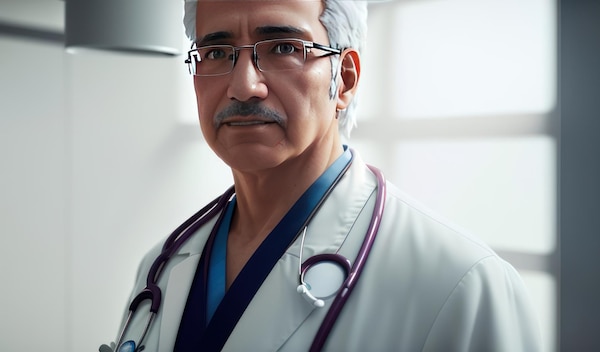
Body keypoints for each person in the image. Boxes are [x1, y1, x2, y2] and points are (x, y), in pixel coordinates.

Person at [101, 0, 543, 351]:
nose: (243, 86)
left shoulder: (462, 285)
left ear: (344, 81)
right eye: (217, 52)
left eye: (283, 48)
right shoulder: (162, 265)